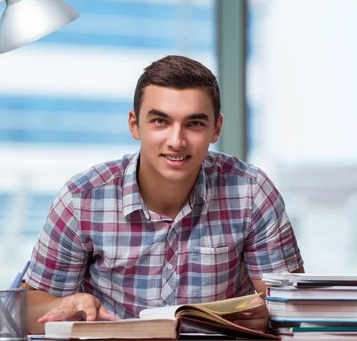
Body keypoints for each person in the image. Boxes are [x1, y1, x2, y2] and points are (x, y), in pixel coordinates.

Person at [21, 55, 304, 334]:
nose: (176, 141)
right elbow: (25, 311)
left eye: (194, 124)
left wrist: (267, 314)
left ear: (216, 128)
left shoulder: (251, 192)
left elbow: (293, 305)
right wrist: (67, 304)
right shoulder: (82, 199)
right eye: (160, 121)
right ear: (135, 125)